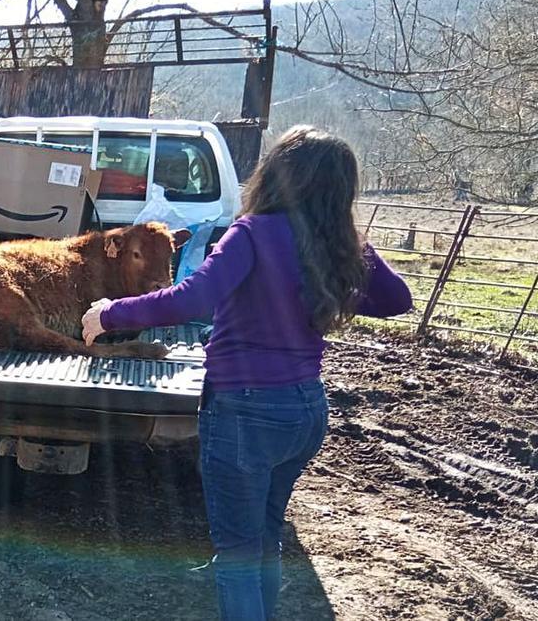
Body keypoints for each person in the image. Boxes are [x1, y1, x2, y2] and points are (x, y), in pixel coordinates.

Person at [81, 126, 413, 621]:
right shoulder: (338, 244)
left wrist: (110, 313)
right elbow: (398, 299)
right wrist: (336, 269)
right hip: (305, 410)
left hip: (244, 413)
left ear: (277, 175)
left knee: (236, 554)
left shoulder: (252, 233)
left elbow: (192, 298)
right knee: (265, 537)